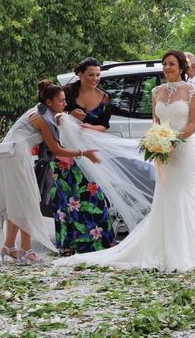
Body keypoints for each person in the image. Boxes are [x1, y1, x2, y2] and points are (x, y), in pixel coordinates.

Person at [54, 50, 195, 272]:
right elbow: (156, 123)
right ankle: (164, 249)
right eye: (165, 64)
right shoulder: (156, 91)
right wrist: (156, 143)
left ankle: (186, 251)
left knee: (184, 196)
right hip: (163, 152)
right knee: (165, 197)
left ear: (181, 68)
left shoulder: (191, 91)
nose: (167, 68)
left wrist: (172, 141)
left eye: (172, 64)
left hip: (184, 151)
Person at [0, 80, 101, 265]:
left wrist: (64, 115)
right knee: (27, 200)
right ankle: (27, 251)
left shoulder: (41, 110)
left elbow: (55, 119)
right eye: (61, 101)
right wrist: (85, 153)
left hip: (10, 154)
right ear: (49, 102)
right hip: (16, 155)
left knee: (19, 201)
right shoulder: (41, 117)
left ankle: (9, 246)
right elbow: (57, 150)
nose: (65, 104)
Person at [51, 57, 115, 255]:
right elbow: (52, 118)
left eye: (98, 75)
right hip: (66, 156)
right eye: (91, 75)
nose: (95, 78)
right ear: (80, 74)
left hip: (92, 153)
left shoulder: (104, 98)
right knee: (68, 199)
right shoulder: (67, 94)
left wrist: (88, 126)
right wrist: (71, 118)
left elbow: (104, 126)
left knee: (95, 196)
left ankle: (98, 242)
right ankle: (69, 244)